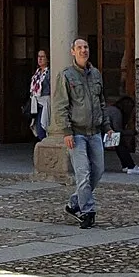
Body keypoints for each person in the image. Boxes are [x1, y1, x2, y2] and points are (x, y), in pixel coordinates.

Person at [50, 36, 107, 228]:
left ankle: (74, 203)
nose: (84, 50)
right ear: (72, 52)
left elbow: (102, 102)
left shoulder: (96, 74)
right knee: (83, 173)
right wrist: (66, 131)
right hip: (77, 133)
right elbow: (60, 106)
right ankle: (87, 211)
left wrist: (107, 126)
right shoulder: (66, 75)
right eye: (80, 47)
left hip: (95, 132)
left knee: (97, 171)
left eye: (86, 47)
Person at [111, 93, 139, 174]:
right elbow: (117, 130)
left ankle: (126, 165)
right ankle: (130, 166)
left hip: (103, 132)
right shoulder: (116, 112)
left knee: (118, 141)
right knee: (119, 142)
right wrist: (132, 132)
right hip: (102, 133)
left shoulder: (112, 109)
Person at [26, 49, 51, 141]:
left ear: (47, 59)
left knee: (42, 127)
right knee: (37, 126)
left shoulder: (49, 73)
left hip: (45, 103)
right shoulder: (37, 73)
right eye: (38, 56)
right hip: (36, 104)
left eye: (42, 57)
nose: (40, 59)